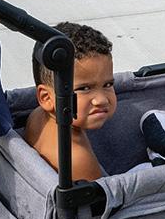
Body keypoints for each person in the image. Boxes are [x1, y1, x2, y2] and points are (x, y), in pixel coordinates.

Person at [24, 22, 116, 182]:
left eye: (108, 84)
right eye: (84, 88)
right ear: (46, 98)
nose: (101, 100)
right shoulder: (78, 159)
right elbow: (105, 198)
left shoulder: (37, 117)